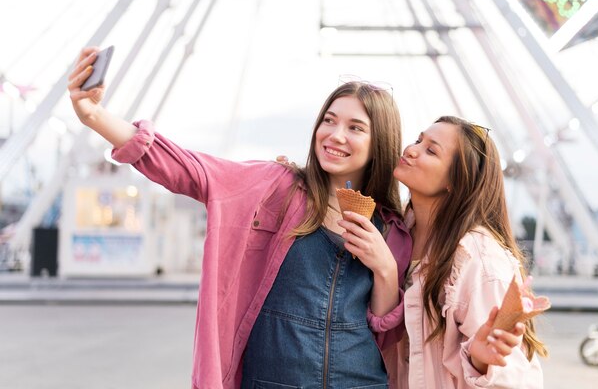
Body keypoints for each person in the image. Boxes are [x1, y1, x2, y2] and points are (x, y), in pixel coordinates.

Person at [67, 47, 413, 389]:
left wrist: (384, 267)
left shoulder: (393, 230)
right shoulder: (276, 187)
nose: (335, 135)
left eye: (355, 127)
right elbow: (189, 170)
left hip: (361, 383)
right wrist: (94, 116)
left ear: (378, 141)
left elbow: (385, 334)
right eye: (329, 120)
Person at [385, 115, 548, 388]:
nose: (410, 150)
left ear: (457, 180)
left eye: (431, 150)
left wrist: (481, 361)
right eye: (418, 140)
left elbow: (510, 375)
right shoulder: (396, 234)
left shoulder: (479, 259)